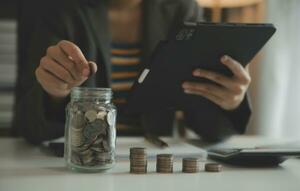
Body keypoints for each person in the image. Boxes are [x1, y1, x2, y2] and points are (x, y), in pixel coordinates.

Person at [13, 0, 251, 145]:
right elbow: (29, 128)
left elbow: (209, 130)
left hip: (151, 166)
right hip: (80, 163)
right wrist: (54, 94)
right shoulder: (54, 9)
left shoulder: (182, 9)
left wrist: (229, 102)